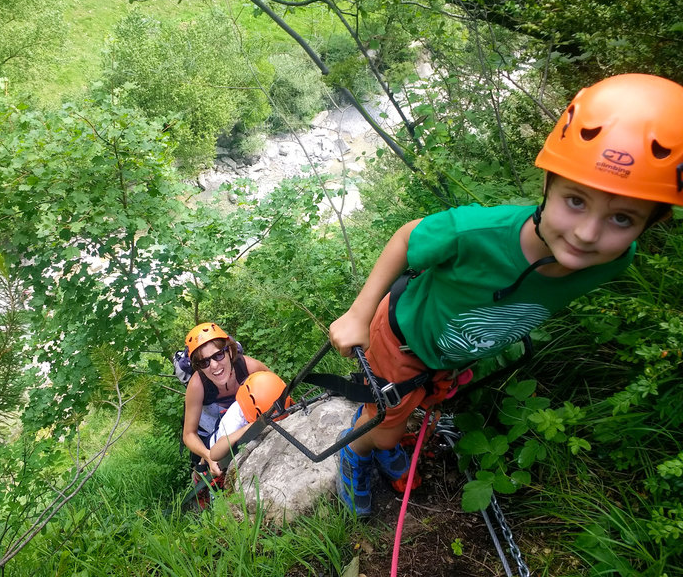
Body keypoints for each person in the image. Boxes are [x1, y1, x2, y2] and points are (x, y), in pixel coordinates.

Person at [329, 73, 683, 516]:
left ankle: (383, 442)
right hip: (402, 338)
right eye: (576, 201)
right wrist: (358, 314)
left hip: (451, 353)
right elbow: (406, 238)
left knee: (408, 410)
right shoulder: (478, 233)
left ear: (651, 224)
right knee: (385, 421)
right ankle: (359, 451)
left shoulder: (616, 260)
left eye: (623, 218)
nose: (587, 234)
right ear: (548, 185)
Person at [182, 322, 270, 477]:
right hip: (210, 430)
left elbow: (278, 392)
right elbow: (189, 434)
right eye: (204, 362)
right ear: (198, 366)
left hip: (242, 417)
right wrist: (208, 455)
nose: (214, 365)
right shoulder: (197, 385)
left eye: (218, 355)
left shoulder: (250, 367)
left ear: (229, 351)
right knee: (204, 466)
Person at [208, 370, 293, 462]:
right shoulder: (235, 419)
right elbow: (214, 454)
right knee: (206, 465)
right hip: (214, 441)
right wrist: (246, 428)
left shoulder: (259, 395)